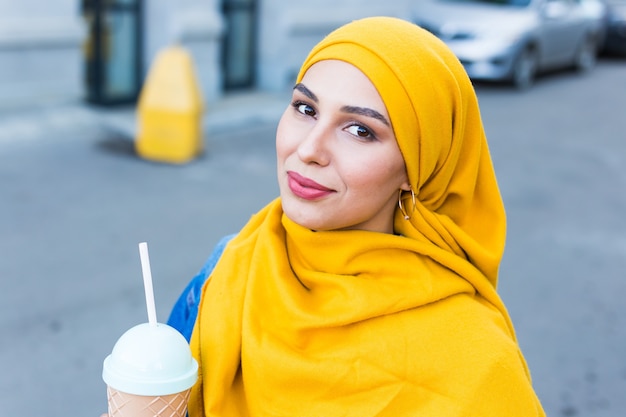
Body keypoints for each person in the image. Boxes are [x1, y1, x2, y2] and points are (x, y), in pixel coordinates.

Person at [167, 16, 546, 417]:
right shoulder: (228, 264)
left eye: (360, 130)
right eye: (305, 108)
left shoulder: (476, 361)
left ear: (416, 168)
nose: (310, 148)